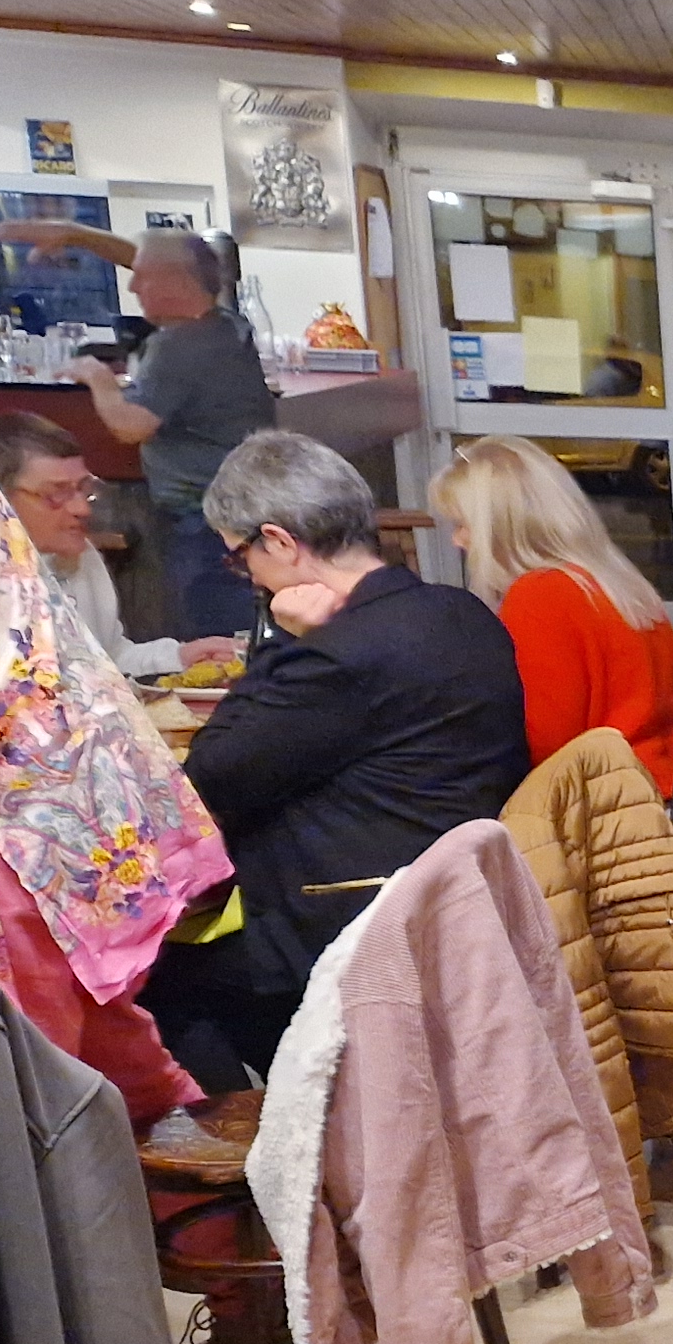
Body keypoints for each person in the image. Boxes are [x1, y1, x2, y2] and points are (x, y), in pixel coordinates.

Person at [140, 432, 528, 1088]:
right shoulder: (462, 613)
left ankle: (272, 1155)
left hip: (347, 924)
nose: (251, 578)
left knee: (149, 980)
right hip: (455, 904)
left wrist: (280, 642)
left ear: (281, 542)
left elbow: (207, 782)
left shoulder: (333, 654)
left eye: (242, 560)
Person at [0, 380, 225, 1128]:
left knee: (26, 1094)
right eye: (59, 492)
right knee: (103, 1058)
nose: (80, 508)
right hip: (37, 796)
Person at [0, 227, 275, 639]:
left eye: (143, 277)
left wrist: (96, 376)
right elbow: (159, 261)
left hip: (204, 520)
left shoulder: (179, 345)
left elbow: (130, 427)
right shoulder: (224, 324)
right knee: (240, 626)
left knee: (217, 633)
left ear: (176, 283)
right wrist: (76, 236)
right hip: (240, 506)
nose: (132, 284)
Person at [432, 433, 673, 795]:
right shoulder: (617, 579)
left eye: (463, 524)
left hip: (611, 804)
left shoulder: (539, 595)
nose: (457, 540)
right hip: (671, 781)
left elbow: (544, 748)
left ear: (502, 528)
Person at [0, 412, 238, 681]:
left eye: (84, 488)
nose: (82, 508)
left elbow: (108, 658)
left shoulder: (83, 559)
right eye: (56, 493)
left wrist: (180, 657)